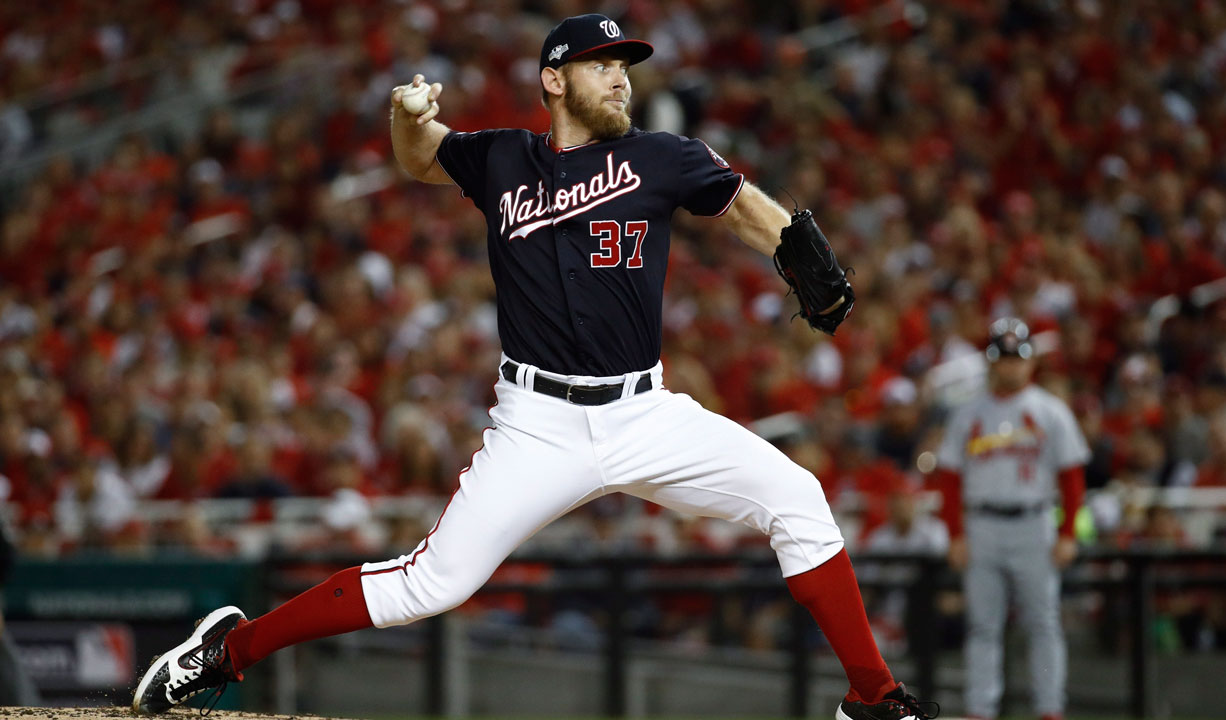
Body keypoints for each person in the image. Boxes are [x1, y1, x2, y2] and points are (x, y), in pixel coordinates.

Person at [132, 14, 935, 720]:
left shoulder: (661, 156)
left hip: (643, 413)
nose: (620, 77)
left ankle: (873, 699)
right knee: (430, 586)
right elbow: (419, 159)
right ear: (555, 78)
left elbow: (742, 203)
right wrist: (407, 118)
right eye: (601, 64)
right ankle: (229, 651)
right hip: (538, 423)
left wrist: (791, 248)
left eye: (626, 66)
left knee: (797, 498)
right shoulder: (502, 160)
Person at [935, 318, 1090, 720]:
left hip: (1034, 522)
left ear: (1030, 361)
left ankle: (1049, 710)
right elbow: (949, 480)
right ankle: (979, 711)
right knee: (983, 627)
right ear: (991, 363)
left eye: (1015, 358)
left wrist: (1068, 530)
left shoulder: (1049, 411)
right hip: (982, 525)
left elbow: (1072, 477)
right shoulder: (968, 413)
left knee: (1043, 624)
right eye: (1002, 358)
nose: (1009, 366)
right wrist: (955, 533)